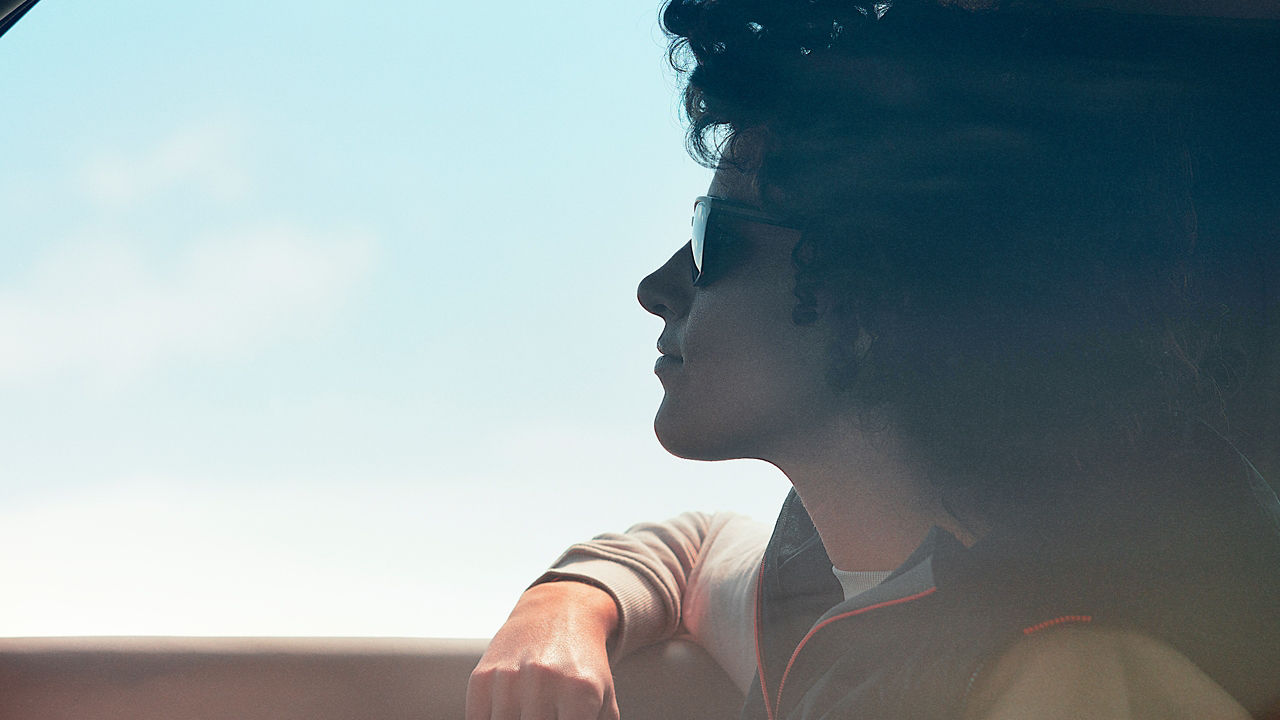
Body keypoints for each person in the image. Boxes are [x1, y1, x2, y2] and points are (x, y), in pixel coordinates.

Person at [467, 1, 1280, 718]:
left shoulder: (1068, 674)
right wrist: (567, 607)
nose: (656, 286)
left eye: (713, 240)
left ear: (873, 298)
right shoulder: (839, 586)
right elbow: (699, 550)